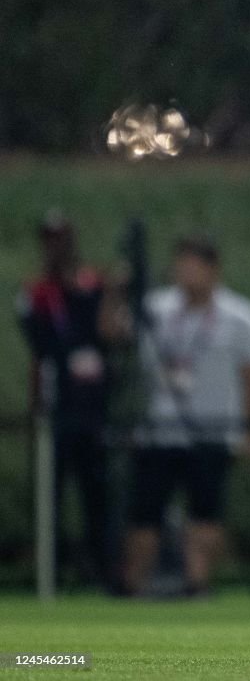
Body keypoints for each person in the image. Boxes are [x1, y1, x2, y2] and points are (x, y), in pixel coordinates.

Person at [116, 234, 250, 596]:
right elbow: (113, 334)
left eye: (195, 265)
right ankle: (134, 584)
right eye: (181, 264)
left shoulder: (240, 316)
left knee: (205, 511)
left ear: (213, 270)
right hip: (160, 431)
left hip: (213, 431)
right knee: (145, 512)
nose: (186, 273)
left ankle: (196, 583)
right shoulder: (154, 308)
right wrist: (117, 293)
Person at [16, 210, 117, 590]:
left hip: (93, 407)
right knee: (49, 494)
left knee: (97, 492)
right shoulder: (36, 292)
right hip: (56, 404)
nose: (57, 247)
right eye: (50, 239)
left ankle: (103, 572)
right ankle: (50, 574)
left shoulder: (92, 284)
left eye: (62, 238)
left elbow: (107, 333)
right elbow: (40, 341)